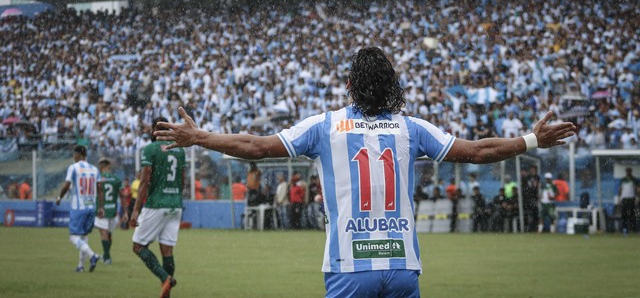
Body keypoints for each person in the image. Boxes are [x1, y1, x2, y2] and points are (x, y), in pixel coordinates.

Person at [154, 47, 575, 297]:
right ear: (393, 86)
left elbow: (255, 147)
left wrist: (201, 137)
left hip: (350, 267)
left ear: (350, 86)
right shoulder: (411, 128)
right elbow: (479, 151)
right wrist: (532, 140)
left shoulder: (325, 126)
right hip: (403, 267)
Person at [130, 117, 186, 298]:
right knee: (167, 250)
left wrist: (136, 210)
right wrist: (176, 197)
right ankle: (167, 291)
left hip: (156, 203)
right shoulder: (179, 150)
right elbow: (182, 180)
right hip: (175, 205)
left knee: (138, 246)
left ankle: (165, 278)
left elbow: (145, 181)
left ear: (155, 130)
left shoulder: (150, 149)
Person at [55, 145, 101, 273]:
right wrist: (100, 207)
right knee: (84, 236)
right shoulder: (94, 169)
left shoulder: (73, 168)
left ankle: (93, 256)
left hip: (78, 207)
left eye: (74, 155)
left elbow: (67, 185)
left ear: (80, 155)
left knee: (74, 237)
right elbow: (100, 189)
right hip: (91, 207)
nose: (73, 157)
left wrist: (59, 197)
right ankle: (80, 266)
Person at [95, 157, 128, 265]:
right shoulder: (116, 179)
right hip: (113, 210)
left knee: (104, 233)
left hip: (102, 210)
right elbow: (123, 196)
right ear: (109, 166)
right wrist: (125, 212)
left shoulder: (98, 179)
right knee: (108, 234)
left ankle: (107, 256)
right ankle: (106, 255)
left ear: (102, 167)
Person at [618, 167, 637, 234]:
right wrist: (619, 198)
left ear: (631, 172)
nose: (628, 173)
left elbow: (637, 189)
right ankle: (624, 229)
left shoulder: (634, 179)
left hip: (631, 198)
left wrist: (637, 197)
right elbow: (620, 189)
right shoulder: (623, 180)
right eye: (627, 171)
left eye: (629, 171)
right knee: (624, 214)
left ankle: (632, 229)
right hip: (624, 198)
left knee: (632, 214)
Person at [522, 166, 540, 233]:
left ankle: (535, 227)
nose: (531, 170)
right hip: (528, 198)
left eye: (533, 169)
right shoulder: (528, 177)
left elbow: (537, 186)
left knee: (535, 213)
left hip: (534, 198)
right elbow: (524, 186)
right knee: (529, 213)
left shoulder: (537, 177)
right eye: (531, 169)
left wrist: (537, 193)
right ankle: (528, 228)